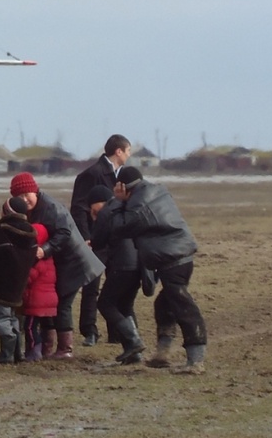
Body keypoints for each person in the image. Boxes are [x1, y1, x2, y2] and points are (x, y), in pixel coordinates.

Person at [111, 167, 208, 374]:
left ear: (123, 187)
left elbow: (121, 226)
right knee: (165, 303)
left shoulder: (136, 203)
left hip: (171, 259)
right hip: (182, 255)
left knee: (182, 304)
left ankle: (195, 360)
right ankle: (161, 355)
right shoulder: (158, 191)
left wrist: (119, 201)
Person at [10, 172, 104, 359]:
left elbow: (64, 233)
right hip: (60, 264)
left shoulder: (51, 208)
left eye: (26, 194)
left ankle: (65, 348)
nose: (24, 200)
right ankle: (47, 348)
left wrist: (44, 250)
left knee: (61, 304)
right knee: (53, 304)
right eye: (19, 197)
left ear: (34, 190)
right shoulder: (34, 209)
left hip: (75, 262)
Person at [69, 134, 132, 346]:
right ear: (119, 151)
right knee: (91, 286)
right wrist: (86, 237)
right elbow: (78, 208)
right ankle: (90, 331)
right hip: (95, 239)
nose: (129, 155)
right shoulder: (92, 174)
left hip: (114, 239)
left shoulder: (120, 175)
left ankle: (116, 333)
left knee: (115, 284)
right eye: (128, 150)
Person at [88, 185, 147, 365]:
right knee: (125, 306)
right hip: (138, 265)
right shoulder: (125, 210)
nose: (93, 213)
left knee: (105, 304)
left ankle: (134, 342)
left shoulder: (107, 213)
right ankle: (133, 352)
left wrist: (92, 240)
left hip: (121, 265)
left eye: (93, 208)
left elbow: (98, 241)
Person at [0, 197, 38, 364]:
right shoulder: (31, 234)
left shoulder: (2, 233)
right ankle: (17, 353)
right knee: (12, 317)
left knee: (1, 318)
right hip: (19, 283)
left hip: (1, 283)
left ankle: (7, 354)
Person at [21, 223, 58, 361]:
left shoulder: (37, 259)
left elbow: (30, 277)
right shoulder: (49, 259)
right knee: (42, 325)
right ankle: (43, 349)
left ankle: (34, 351)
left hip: (36, 300)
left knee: (29, 327)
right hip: (48, 299)